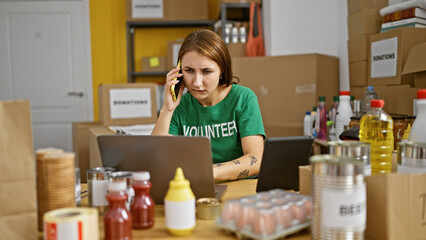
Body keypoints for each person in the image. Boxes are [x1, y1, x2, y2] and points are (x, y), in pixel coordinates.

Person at [152, 29, 265, 181]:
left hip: (240, 188)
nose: (197, 82)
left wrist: (212, 172)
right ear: (179, 71)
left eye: (206, 71)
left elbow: (256, 159)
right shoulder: (179, 106)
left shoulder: (243, 98)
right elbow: (156, 159)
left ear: (221, 70)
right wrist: (167, 109)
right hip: (194, 187)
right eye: (189, 71)